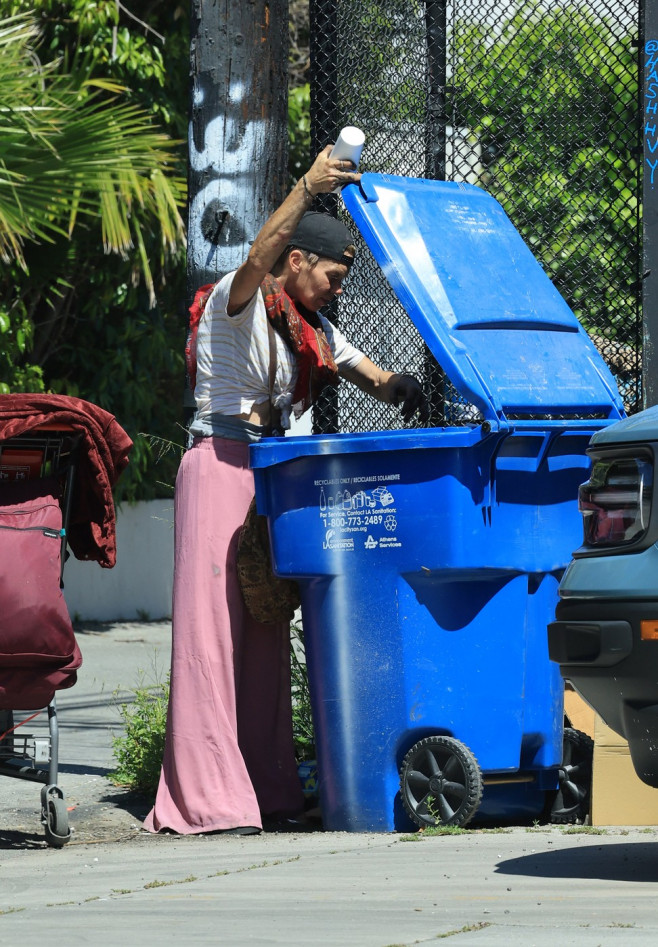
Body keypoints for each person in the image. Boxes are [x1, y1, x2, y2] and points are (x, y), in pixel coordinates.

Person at [144, 145, 428, 836]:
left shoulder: (310, 327)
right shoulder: (233, 300)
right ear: (296, 258)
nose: (337, 288)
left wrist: (408, 386)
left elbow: (374, 376)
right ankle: (205, 799)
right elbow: (254, 254)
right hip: (218, 464)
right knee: (213, 639)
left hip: (269, 475)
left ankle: (264, 790)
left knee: (266, 632)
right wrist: (305, 188)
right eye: (332, 274)